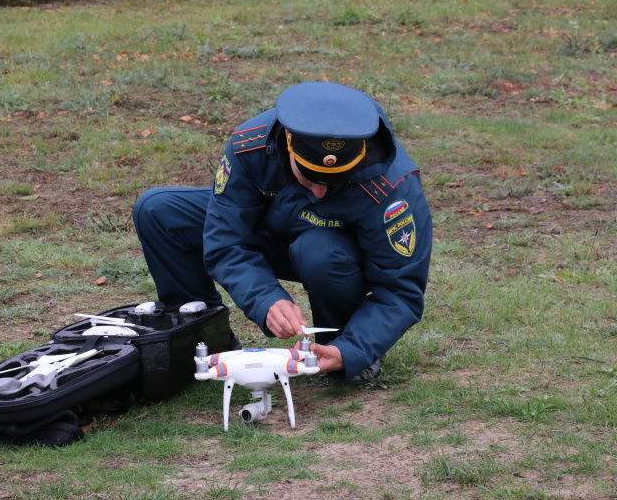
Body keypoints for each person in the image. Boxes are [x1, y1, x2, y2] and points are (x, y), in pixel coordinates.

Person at [132, 82, 432, 383]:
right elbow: (226, 240)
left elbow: (400, 290)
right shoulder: (251, 145)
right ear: (288, 139)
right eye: (309, 177)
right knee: (160, 210)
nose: (319, 192)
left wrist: (352, 350)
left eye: (334, 183)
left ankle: (343, 348)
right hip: (273, 233)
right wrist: (266, 299)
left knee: (319, 250)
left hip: (333, 257)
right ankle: (202, 342)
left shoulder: (393, 185)